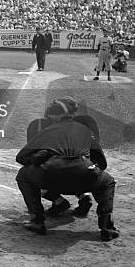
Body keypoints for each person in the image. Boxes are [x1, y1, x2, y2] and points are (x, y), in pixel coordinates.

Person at [15, 99, 119, 240]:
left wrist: (40, 158)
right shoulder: (85, 130)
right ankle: (107, 227)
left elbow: (21, 158)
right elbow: (102, 162)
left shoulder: (47, 130)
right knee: (107, 182)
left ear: (53, 116)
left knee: (23, 175)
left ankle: (37, 221)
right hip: (84, 176)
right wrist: (87, 170)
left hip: (50, 176)